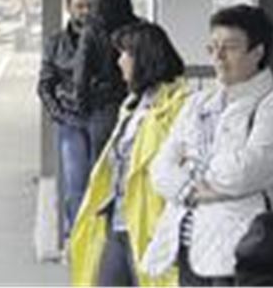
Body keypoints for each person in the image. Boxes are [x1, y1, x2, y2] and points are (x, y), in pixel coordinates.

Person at [141, 4, 273, 286]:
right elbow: (160, 167)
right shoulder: (198, 102)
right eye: (213, 47)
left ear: (257, 52)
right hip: (185, 242)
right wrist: (193, 190)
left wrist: (191, 166)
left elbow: (246, 171)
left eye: (229, 47)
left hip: (239, 251)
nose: (218, 56)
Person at [69, 22, 188, 287]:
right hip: (118, 221)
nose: (119, 61)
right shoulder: (133, 105)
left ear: (143, 58)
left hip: (150, 223)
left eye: (125, 54)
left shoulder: (178, 105)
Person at [37, 0, 94, 235]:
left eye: (89, 6)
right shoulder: (55, 43)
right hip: (70, 122)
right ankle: (78, 236)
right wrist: (58, 115)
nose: (85, 11)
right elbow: (44, 84)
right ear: (69, 8)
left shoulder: (105, 40)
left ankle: (99, 240)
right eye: (80, 6)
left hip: (100, 119)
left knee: (102, 182)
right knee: (75, 183)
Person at [74, 0, 140, 165]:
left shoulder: (91, 31)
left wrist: (83, 106)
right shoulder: (137, 27)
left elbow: (81, 74)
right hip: (134, 103)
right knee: (130, 163)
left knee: (102, 166)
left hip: (103, 107)